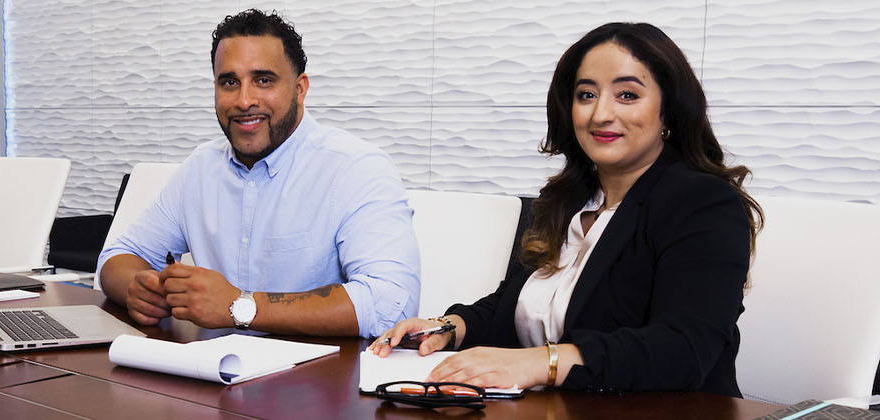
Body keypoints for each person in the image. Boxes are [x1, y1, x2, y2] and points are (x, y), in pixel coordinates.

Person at [368, 22, 761, 398]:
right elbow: (516, 307)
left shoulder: (704, 203)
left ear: (669, 111)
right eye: (586, 95)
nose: (600, 114)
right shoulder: (566, 200)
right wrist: (450, 327)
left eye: (627, 95)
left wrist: (542, 363)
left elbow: (683, 349)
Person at [97, 9, 420, 338]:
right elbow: (117, 258)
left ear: (300, 88)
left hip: (316, 380)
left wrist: (239, 305)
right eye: (229, 82)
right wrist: (139, 289)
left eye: (263, 80)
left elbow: (390, 305)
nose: (244, 100)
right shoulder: (200, 169)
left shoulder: (356, 168)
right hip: (207, 376)